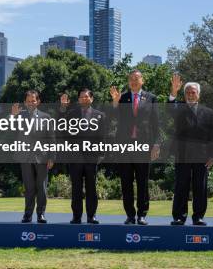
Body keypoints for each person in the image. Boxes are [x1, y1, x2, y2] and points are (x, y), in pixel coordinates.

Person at [110, 69, 160, 225]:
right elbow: (113, 119)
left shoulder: (151, 98)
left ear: (142, 81)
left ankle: (142, 215)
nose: (133, 81)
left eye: (136, 78)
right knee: (126, 182)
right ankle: (130, 215)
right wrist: (115, 104)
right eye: (131, 78)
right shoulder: (122, 98)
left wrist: (157, 144)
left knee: (142, 182)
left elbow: (156, 124)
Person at [168, 74, 213, 226]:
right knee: (181, 186)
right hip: (182, 155)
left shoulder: (208, 112)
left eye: (193, 92)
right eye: (188, 92)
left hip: (202, 156)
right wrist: (173, 92)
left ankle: (198, 217)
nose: (190, 95)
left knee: (200, 187)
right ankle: (179, 217)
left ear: (198, 95)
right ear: (184, 95)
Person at [12, 90, 54, 223]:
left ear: (38, 102)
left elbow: (51, 139)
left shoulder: (46, 117)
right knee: (29, 188)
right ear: (25, 102)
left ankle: (41, 214)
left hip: (42, 157)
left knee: (41, 187)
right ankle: (27, 214)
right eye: (28, 101)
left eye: (33, 100)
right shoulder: (19, 116)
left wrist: (52, 157)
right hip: (25, 157)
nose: (31, 103)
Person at [66, 89, 106, 224]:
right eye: (81, 97)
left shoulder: (100, 115)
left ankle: (91, 216)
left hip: (92, 157)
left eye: (87, 97)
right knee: (76, 188)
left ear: (92, 99)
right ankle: (76, 216)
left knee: (91, 188)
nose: (84, 99)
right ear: (78, 100)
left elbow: (102, 137)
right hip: (75, 157)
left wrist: (101, 154)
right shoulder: (71, 115)